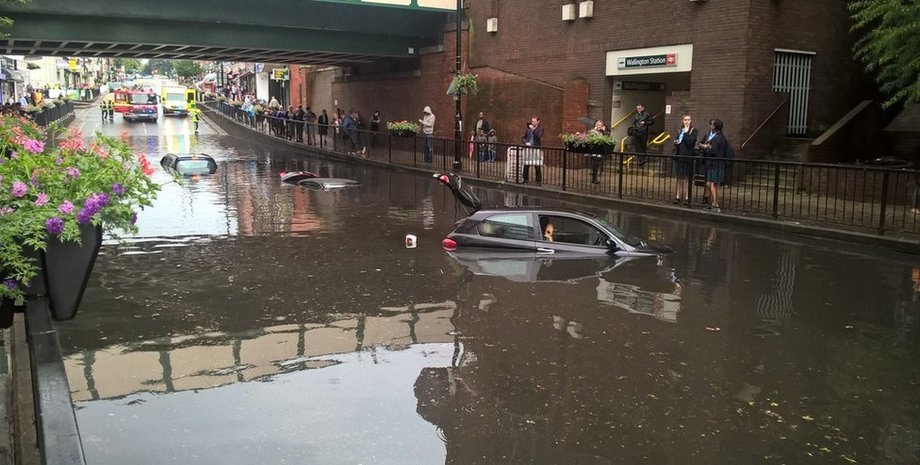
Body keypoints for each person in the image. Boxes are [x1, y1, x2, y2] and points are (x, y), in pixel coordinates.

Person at [698, 118, 727, 213]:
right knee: (712, 184)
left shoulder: (716, 138)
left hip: (714, 164)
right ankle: (713, 202)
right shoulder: (722, 137)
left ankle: (715, 203)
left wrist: (706, 147)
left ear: (714, 126)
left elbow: (713, 151)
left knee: (713, 184)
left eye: (712, 125)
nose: (710, 126)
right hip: (719, 164)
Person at [672, 114, 698, 205]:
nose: (686, 121)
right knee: (679, 177)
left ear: (691, 121)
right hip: (680, 156)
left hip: (687, 157)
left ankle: (687, 196)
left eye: (688, 120)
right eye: (685, 120)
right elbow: (677, 141)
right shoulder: (680, 131)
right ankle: (678, 196)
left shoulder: (693, 131)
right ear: (682, 121)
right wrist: (676, 143)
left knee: (687, 177)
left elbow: (690, 142)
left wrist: (686, 133)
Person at [521, 116, 543, 184]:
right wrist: (525, 142)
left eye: (534, 121)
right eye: (532, 121)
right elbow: (522, 137)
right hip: (528, 148)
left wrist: (533, 129)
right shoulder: (528, 129)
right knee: (526, 164)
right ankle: (525, 180)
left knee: (537, 165)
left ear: (538, 121)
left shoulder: (540, 129)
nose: (532, 123)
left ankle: (538, 181)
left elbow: (538, 136)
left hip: (536, 149)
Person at [587, 119, 609, 184]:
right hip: (594, 152)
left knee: (599, 165)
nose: (600, 126)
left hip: (600, 151)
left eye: (601, 125)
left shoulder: (602, 132)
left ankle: (595, 178)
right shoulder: (592, 131)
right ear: (596, 125)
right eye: (598, 125)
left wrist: (604, 131)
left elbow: (607, 138)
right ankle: (594, 178)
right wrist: (594, 131)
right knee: (595, 165)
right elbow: (589, 138)